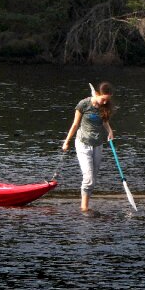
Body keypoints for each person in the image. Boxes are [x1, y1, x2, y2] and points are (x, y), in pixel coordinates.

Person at [62, 81, 114, 212]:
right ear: (97, 94)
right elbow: (75, 124)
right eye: (103, 99)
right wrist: (67, 141)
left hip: (98, 145)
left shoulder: (104, 106)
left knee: (93, 178)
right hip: (83, 144)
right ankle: (84, 208)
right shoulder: (83, 104)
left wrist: (110, 131)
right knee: (89, 178)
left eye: (107, 100)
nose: (104, 102)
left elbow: (105, 121)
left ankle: (85, 204)